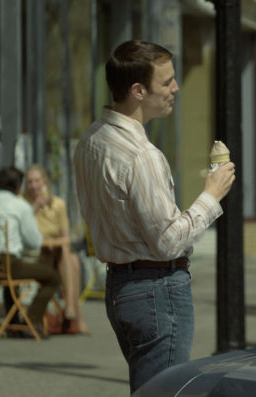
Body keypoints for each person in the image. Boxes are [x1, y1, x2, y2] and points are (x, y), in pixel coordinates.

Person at [73, 40, 235, 393]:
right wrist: (212, 194)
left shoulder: (90, 140)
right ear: (137, 90)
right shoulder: (141, 155)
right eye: (167, 82)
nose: (175, 88)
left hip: (121, 286)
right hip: (156, 288)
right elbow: (168, 241)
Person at [0, 167, 60, 336]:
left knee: (10, 280)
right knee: (52, 277)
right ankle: (31, 321)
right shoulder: (20, 206)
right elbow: (34, 242)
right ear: (18, 187)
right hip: (8, 263)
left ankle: (13, 323)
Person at [22, 163, 88, 334]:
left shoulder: (58, 204)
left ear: (44, 182)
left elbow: (66, 237)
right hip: (35, 255)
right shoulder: (23, 204)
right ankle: (74, 313)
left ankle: (72, 309)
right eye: (29, 182)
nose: (34, 186)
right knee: (72, 260)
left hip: (56, 254)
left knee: (69, 254)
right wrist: (35, 207)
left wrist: (55, 242)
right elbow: (23, 232)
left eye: (37, 181)